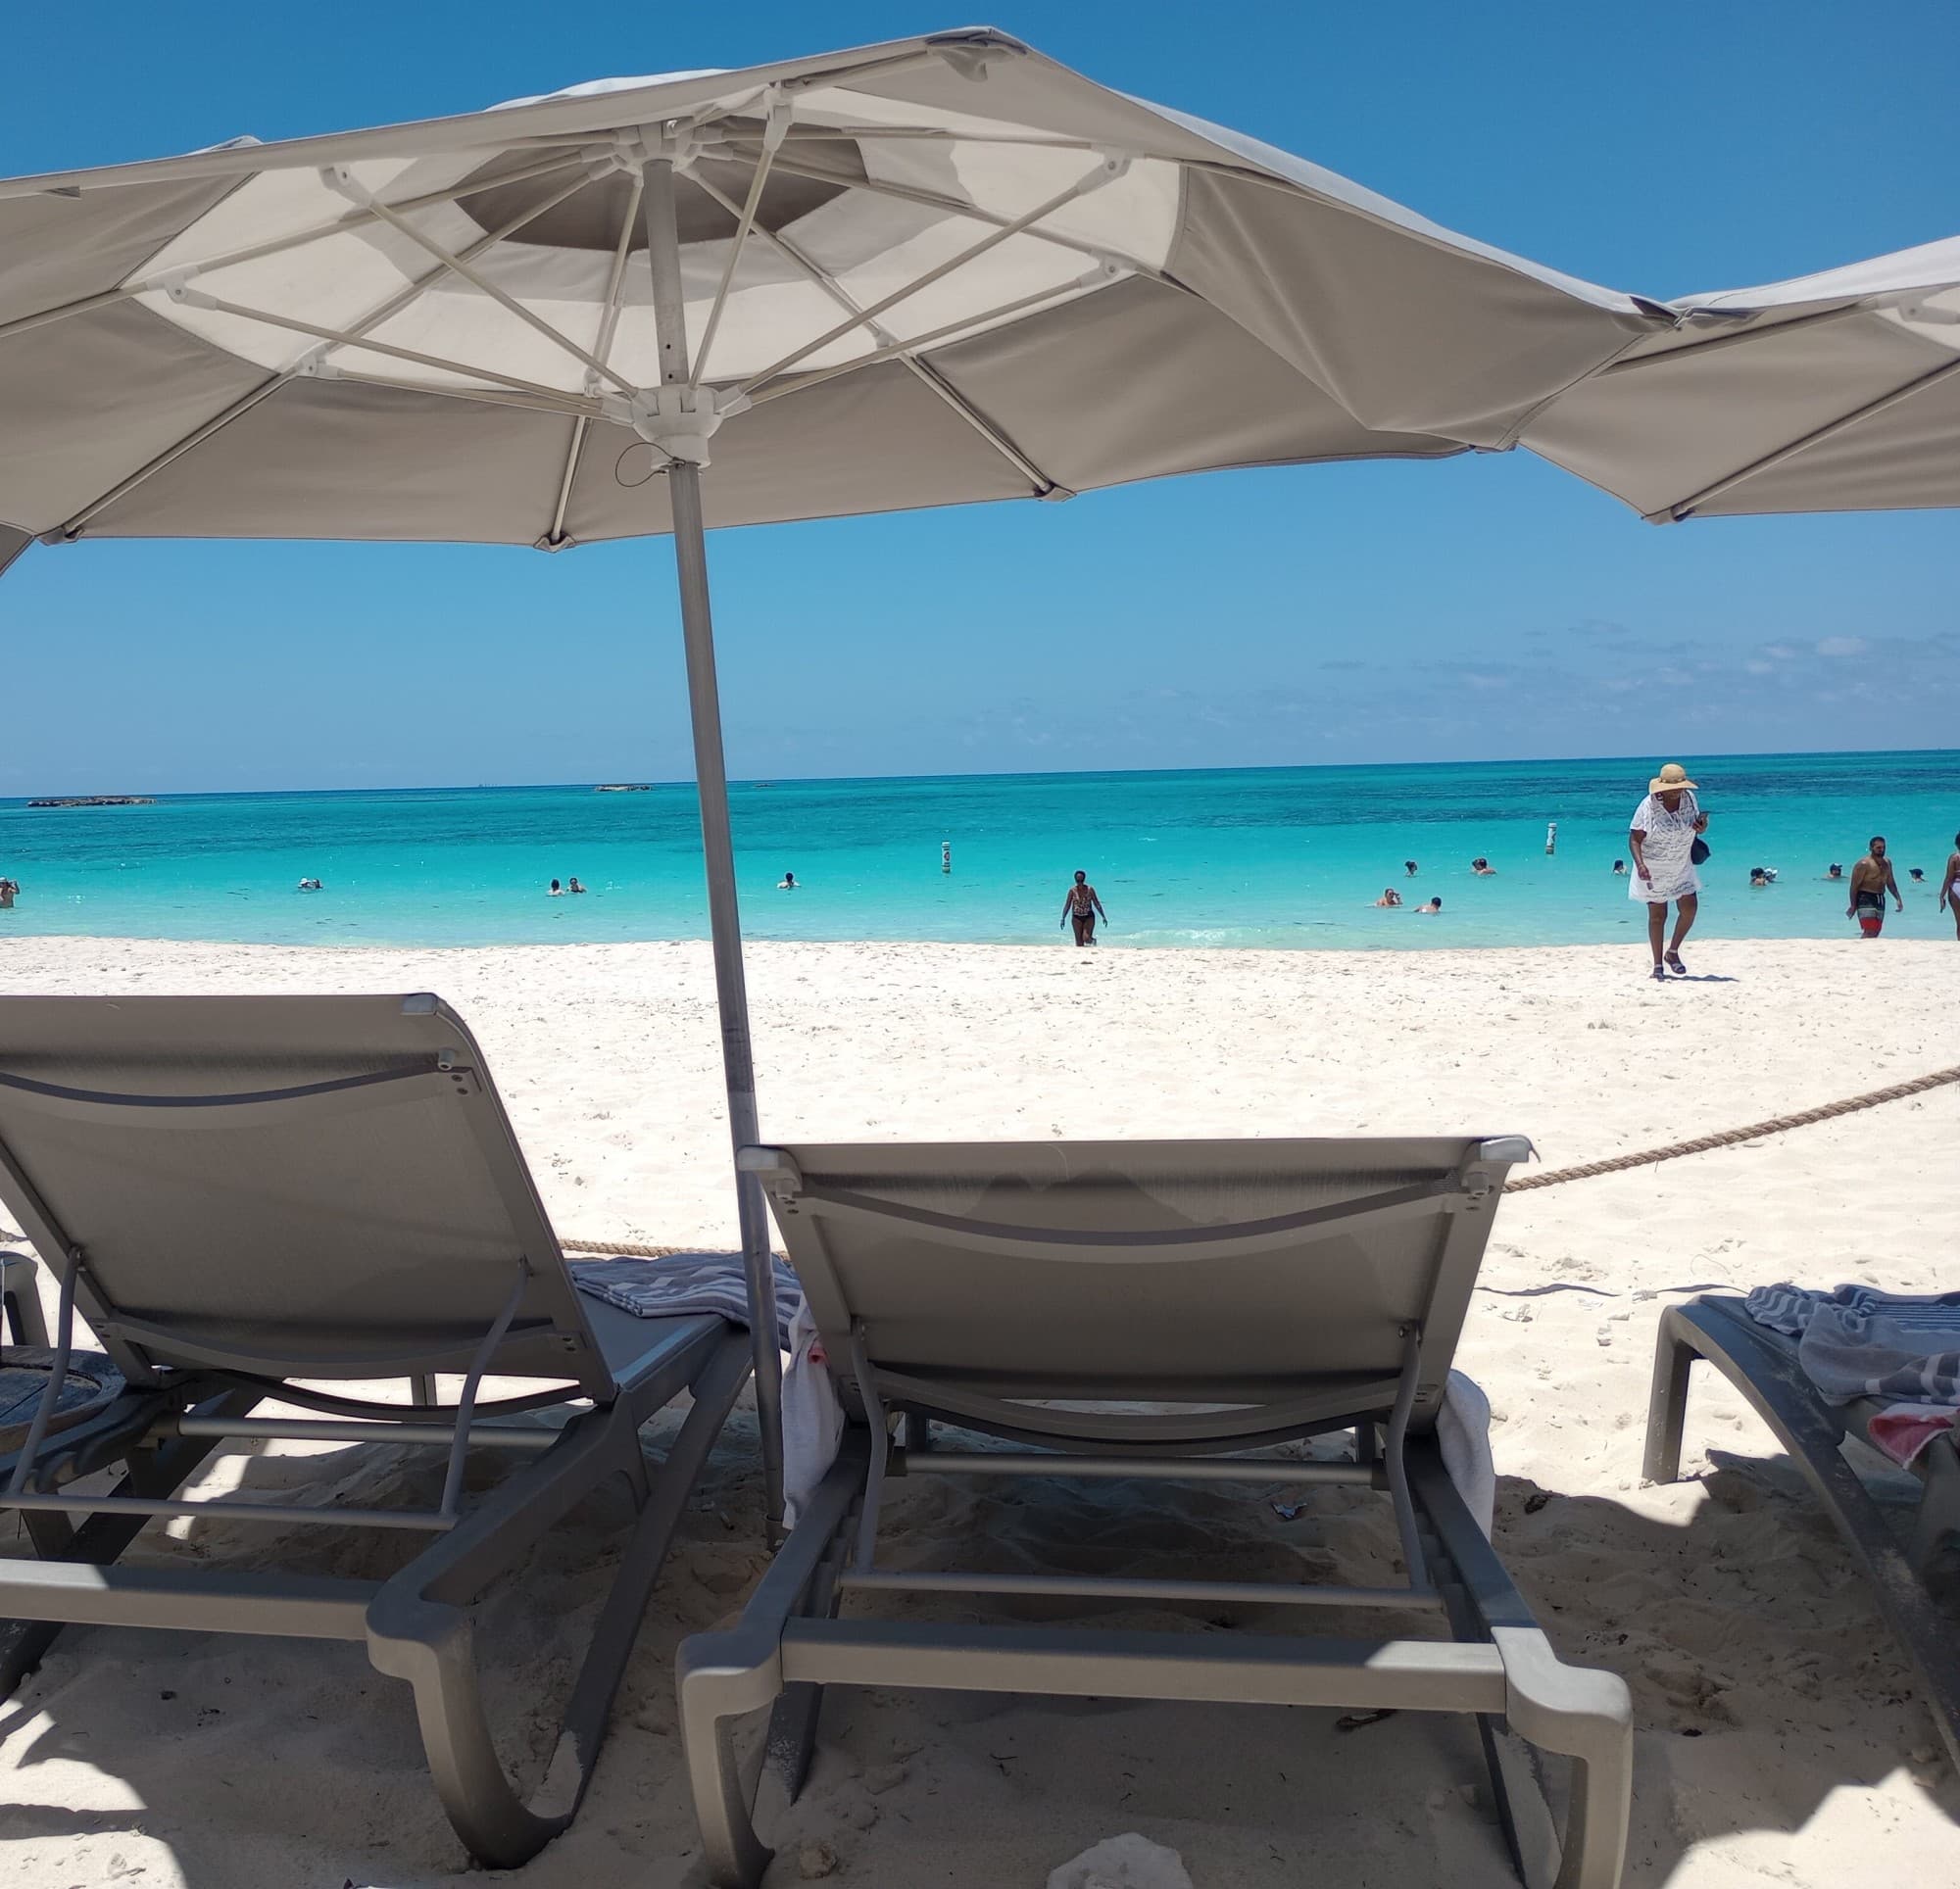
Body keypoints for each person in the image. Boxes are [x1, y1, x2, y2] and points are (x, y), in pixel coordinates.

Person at [1629, 761, 1708, 981]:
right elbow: (1635, 839)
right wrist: (1640, 864)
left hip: (1681, 863)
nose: (1678, 791)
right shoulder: (1647, 806)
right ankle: (1657, 966)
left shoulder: (1690, 799)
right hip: (1654, 867)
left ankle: (1672, 952)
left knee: (1690, 908)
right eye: (1674, 788)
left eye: (1681, 787)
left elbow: (1695, 824)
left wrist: (1701, 827)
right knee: (1658, 915)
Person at [1847, 836, 1902, 939]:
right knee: (1869, 930)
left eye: (1883, 847)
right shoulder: (1863, 864)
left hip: (1880, 898)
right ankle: (1860, 951)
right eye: (1878, 847)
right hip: (1865, 897)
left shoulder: (1887, 863)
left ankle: (1866, 952)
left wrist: (1898, 898)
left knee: (1876, 931)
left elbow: (1890, 882)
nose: (1882, 850)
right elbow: (1854, 886)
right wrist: (1853, 905)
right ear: (1871, 848)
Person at [1060, 869, 1106, 945]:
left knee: (1086, 938)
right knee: (1079, 944)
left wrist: (1103, 916)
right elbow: (1067, 905)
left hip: (1088, 916)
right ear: (1075, 880)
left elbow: (1096, 903)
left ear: (1084, 880)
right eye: (1078, 881)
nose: (1080, 883)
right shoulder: (1072, 891)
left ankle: (1093, 942)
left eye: (1081, 880)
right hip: (1076, 917)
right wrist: (1063, 918)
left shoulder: (1090, 889)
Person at [1940, 833, 1960, 942]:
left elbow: (1949, 878)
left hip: (1956, 888)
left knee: (1959, 922)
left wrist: (1941, 895)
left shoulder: (1954, 858)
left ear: (1957, 844)